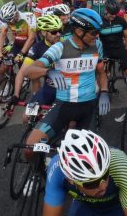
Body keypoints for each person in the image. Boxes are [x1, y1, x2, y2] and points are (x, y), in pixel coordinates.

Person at [22, 9, 109, 151]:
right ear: (79, 32)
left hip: (88, 107)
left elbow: (101, 72)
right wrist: (48, 71)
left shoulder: (97, 45)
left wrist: (104, 91)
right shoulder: (60, 48)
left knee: (85, 156)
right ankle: (39, 171)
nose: (97, 36)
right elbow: (28, 71)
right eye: (94, 32)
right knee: (30, 148)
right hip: (63, 105)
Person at [44, 129, 127, 216]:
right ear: (70, 179)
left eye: (105, 175)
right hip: (86, 208)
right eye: (92, 183)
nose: (103, 186)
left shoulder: (119, 163)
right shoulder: (57, 171)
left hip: (117, 207)